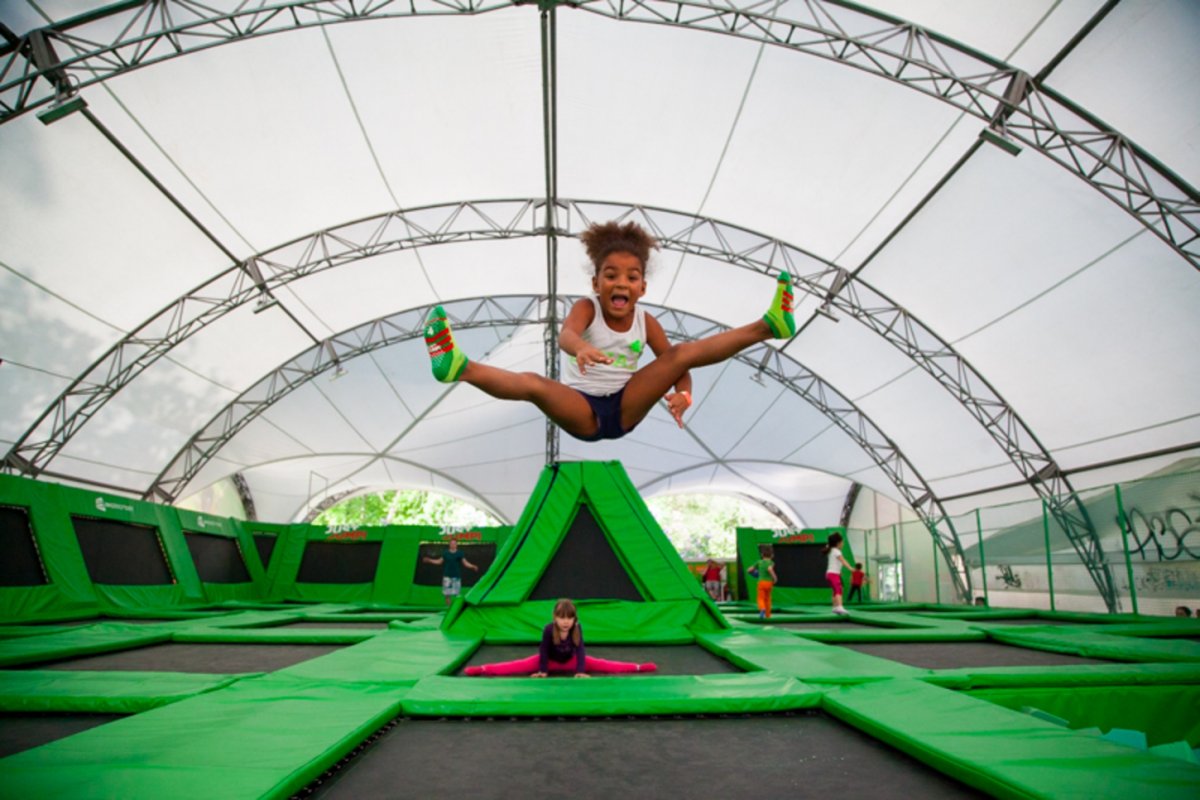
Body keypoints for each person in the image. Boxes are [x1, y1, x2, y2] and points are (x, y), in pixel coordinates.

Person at [423, 220, 796, 441]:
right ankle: (460, 367)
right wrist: (579, 349)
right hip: (583, 408)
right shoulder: (587, 308)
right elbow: (567, 335)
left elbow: (678, 366)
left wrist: (684, 394)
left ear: (642, 289)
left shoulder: (646, 322)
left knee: (679, 353)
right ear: (597, 284)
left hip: (625, 406)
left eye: (632, 277)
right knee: (535, 384)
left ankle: (768, 326)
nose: (622, 283)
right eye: (611, 276)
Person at [464, 598, 657, 676]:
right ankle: (482, 669)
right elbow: (543, 650)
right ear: (555, 618)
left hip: (570, 662)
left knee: (602, 664)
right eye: (561, 618)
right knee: (518, 665)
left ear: (574, 619)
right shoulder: (549, 629)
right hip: (549, 661)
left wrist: (580, 670)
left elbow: (581, 650)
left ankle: (638, 667)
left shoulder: (576, 629)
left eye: (569, 618)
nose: (565, 622)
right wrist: (543, 670)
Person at [422, 538, 479, 607]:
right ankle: (448, 609)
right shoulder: (445, 553)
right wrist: (429, 560)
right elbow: (439, 561)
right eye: (451, 543)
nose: (453, 545)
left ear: (456, 545)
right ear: (449, 545)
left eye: (454, 543)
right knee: (447, 594)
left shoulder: (460, 553)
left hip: (456, 576)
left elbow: (465, 563)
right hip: (447, 576)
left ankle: (455, 609)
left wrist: (472, 566)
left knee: (457, 594)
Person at [824, 533, 853, 616]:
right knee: (838, 590)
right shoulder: (836, 551)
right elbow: (843, 561)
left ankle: (834, 607)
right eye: (842, 542)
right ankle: (840, 607)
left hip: (830, 574)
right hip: (833, 574)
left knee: (835, 590)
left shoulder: (831, 549)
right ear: (838, 543)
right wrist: (850, 568)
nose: (843, 544)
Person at [748, 545, 778, 620]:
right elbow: (770, 569)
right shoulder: (771, 562)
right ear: (772, 555)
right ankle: (768, 615)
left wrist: (755, 573)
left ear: (762, 555)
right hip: (769, 583)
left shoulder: (759, 562)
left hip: (761, 582)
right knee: (768, 599)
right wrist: (775, 578)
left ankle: (762, 609)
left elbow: (749, 570)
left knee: (760, 598)